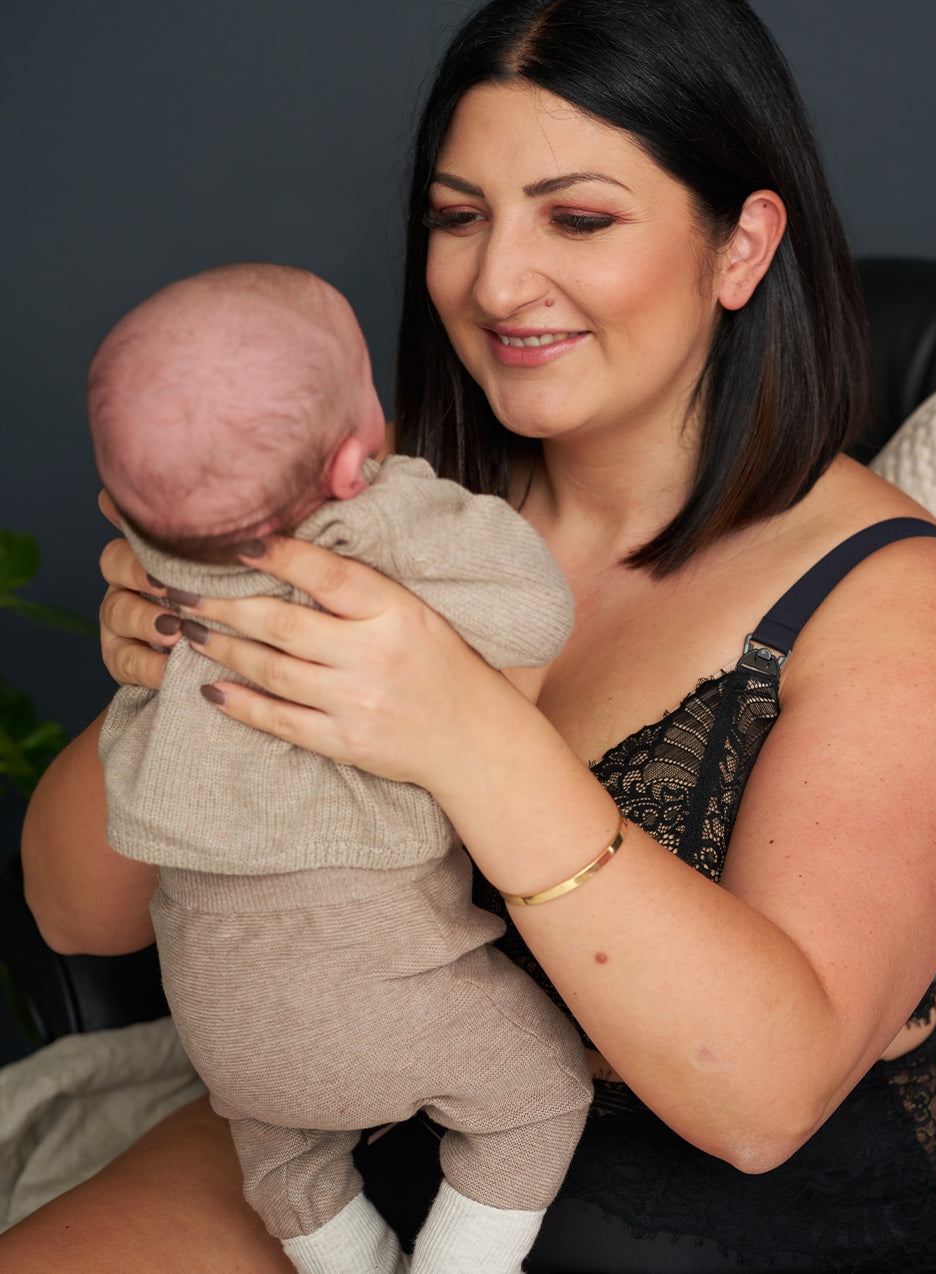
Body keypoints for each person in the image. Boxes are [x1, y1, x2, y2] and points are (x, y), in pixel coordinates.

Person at [7, 0, 936, 1270]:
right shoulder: (369, 507)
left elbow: (761, 1101)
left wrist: (462, 731)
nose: (493, 282)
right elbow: (75, 912)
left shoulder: (892, 596)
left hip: (726, 1214)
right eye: (459, 215)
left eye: (577, 218)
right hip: (363, 1127)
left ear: (740, 245)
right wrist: (165, 662)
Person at [87, 261, 591, 1274]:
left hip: (215, 1015)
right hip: (374, 984)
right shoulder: (375, 529)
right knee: (539, 1091)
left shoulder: (156, 572)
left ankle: (343, 1255)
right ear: (357, 455)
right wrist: (426, 511)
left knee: (278, 1143)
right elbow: (533, 612)